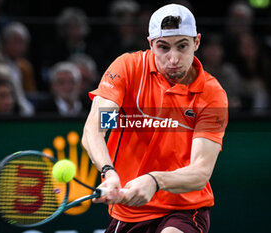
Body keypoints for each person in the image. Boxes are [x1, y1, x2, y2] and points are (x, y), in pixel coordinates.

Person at [82, 4, 228, 233]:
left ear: (197, 42)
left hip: (184, 209)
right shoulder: (128, 70)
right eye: (163, 47)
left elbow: (200, 171)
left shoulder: (211, 94)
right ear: (150, 44)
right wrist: (108, 172)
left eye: (182, 46)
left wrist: (154, 180)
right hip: (128, 211)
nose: (173, 58)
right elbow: (95, 131)